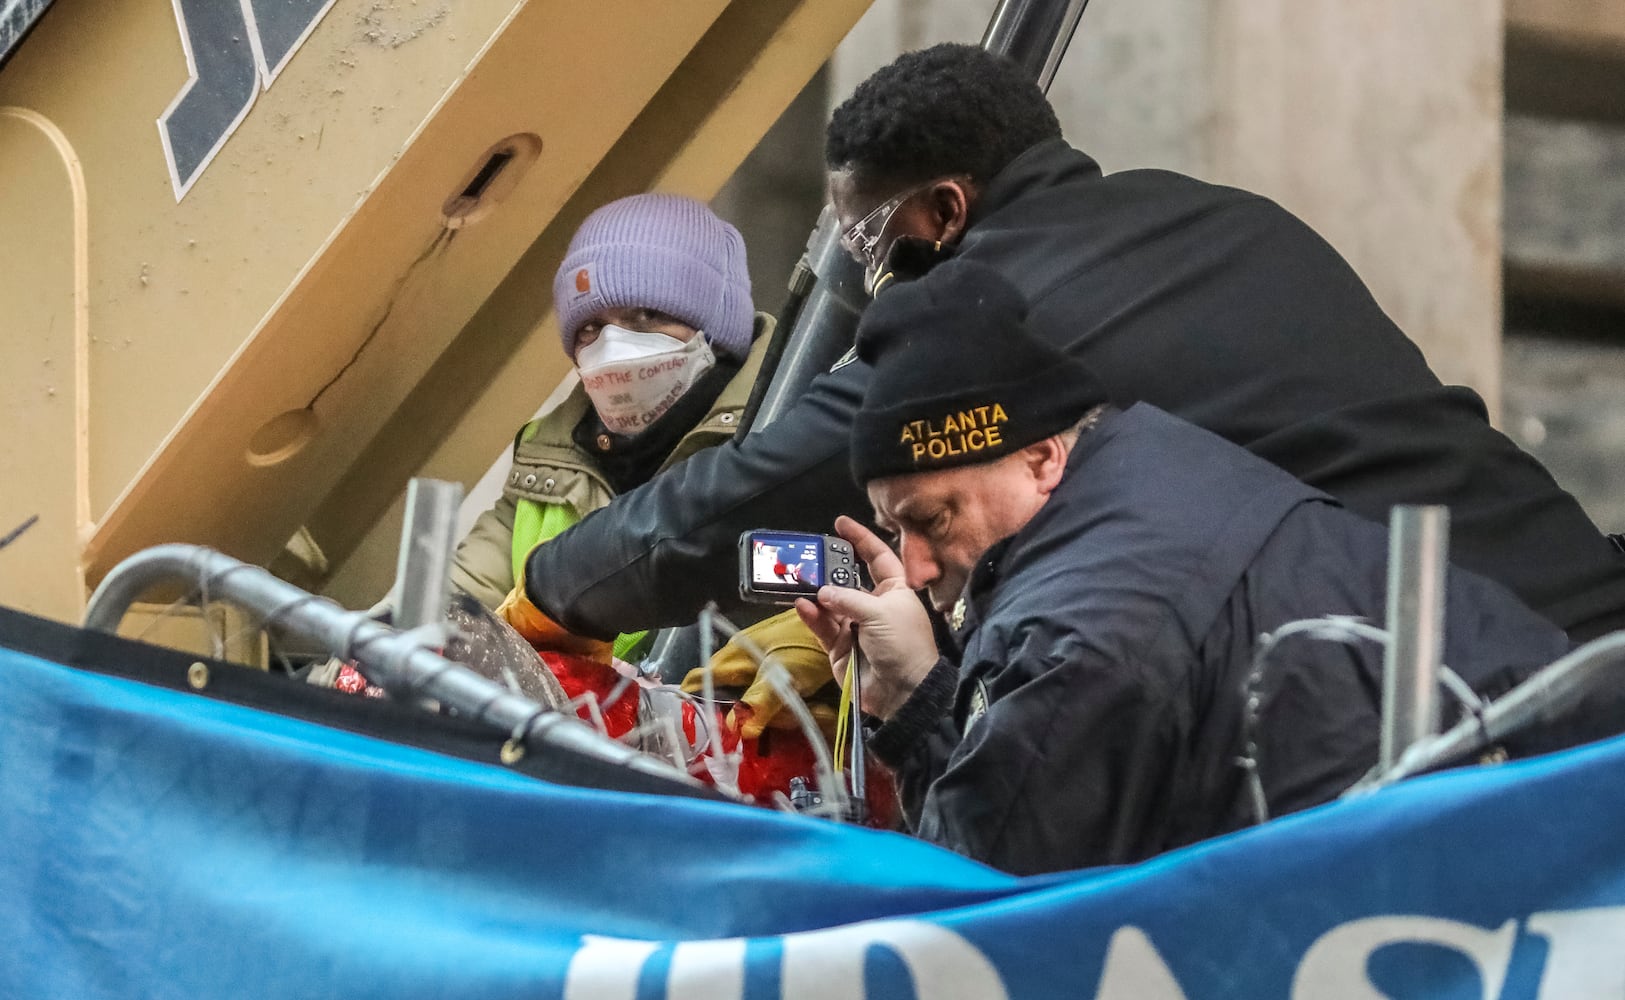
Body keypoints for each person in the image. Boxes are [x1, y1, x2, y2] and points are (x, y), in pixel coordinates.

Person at [509, 43, 1625, 650]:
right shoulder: (1215, 215)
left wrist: (545, 597)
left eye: (871, 246)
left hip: (1470, 703)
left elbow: (761, 490)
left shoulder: (998, 311)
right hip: (1570, 614)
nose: (868, 287)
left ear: (943, 213)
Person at [793, 261, 1577, 876]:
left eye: (931, 521)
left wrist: (918, 708)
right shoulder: (1149, 464)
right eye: (895, 530)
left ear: (1038, 458)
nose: (918, 567)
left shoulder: (1082, 628)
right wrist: (917, 690)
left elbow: (977, 913)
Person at [451, 192, 766, 654]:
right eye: (590, 328)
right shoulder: (548, 451)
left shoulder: (781, 433)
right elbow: (457, 602)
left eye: (647, 314)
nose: (614, 345)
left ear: (715, 329)